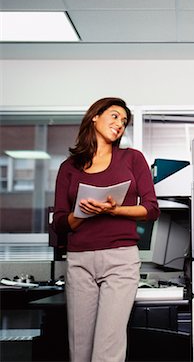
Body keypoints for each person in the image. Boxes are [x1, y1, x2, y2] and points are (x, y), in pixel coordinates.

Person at [52, 97, 160, 362]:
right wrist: (83, 213)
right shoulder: (69, 167)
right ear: (94, 117)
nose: (119, 124)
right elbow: (60, 223)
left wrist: (114, 210)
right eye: (114, 116)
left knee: (107, 348)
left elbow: (151, 209)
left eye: (124, 121)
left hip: (120, 260)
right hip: (80, 261)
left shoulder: (132, 159)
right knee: (80, 349)